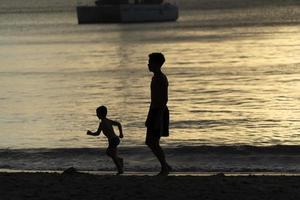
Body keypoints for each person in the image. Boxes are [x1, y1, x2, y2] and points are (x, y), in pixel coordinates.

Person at [145, 52, 171, 176]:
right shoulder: (155, 77)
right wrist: (149, 116)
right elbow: (153, 99)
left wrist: (158, 117)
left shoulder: (161, 78)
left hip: (159, 111)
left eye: (150, 62)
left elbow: (164, 99)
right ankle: (165, 165)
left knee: (153, 142)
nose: (148, 64)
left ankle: (165, 167)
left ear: (156, 64)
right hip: (154, 111)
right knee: (150, 141)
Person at [87, 105, 124, 175]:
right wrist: (120, 134)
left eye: (97, 113)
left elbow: (97, 133)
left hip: (113, 140)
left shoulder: (102, 123)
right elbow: (118, 124)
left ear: (100, 114)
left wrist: (121, 133)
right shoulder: (108, 121)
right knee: (113, 155)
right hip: (115, 139)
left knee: (110, 153)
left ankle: (120, 169)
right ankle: (120, 162)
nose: (96, 115)